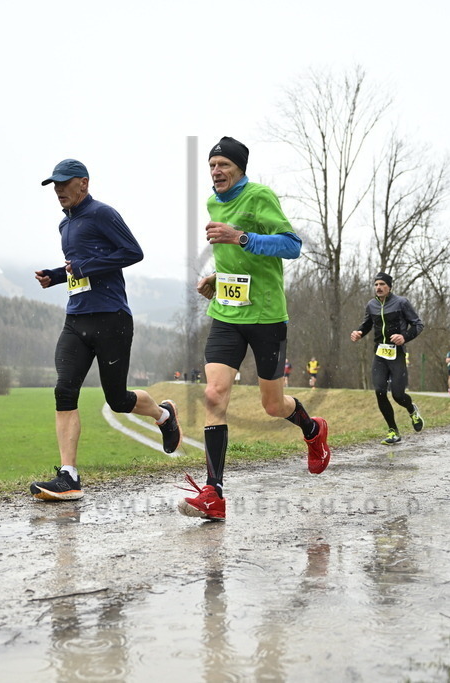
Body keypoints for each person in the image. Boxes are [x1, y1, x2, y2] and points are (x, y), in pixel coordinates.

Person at [178, 136, 331, 521]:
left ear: (240, 168)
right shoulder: (213, 202)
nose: (216, 172)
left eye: (224, 165)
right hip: (227, 314)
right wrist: (216, 277)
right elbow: (234, 258)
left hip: (265, 317)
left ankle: (312, 429)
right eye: (212, 166)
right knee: (214, 394)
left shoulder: (261, 197)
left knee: (272, 405)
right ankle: (214, 493)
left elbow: (292, 246)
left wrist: (240, 235)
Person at [29, 158, 182, 500]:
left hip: (111, 318)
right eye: (54, 185)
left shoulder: (103, 214)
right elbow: (79, 267)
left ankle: (163, 414)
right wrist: (55, 276)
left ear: (83, 183)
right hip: (76, 319)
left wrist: (86, 266)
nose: (58, 190)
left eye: (64, 183)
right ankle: (69, 476)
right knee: (64, 391)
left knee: (117, 399)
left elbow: (132, 252)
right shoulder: (63, 226)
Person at [349, 273, 425, 445]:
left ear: (389, 286)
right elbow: (367, 324)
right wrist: (359, 332)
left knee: (398, 395)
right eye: (376, 284)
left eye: (382, 284)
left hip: (397, 354)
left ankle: (412, 410)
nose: (378, 287)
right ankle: (393, 431)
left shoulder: (401, 303)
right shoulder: (371, 305)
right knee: (380, 391)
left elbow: (418, 324)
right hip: (380, 355)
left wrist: (404, 337)